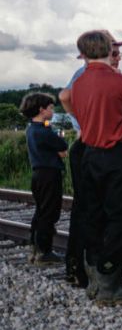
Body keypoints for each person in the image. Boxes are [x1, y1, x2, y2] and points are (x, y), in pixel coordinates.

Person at [69, 30, 122, 304]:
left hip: (89, 155)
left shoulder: (78, 84)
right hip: (117, 155)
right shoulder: (120, 82)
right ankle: (109, 278)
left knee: (94, 214)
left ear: (83, 52)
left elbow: (68, 101)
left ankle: (95, 278)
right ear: (108, 49)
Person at [58, 31, 122, 287]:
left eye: (118, 52)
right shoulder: (87, 72)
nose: (117, 56)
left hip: (90, 144)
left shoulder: (103, 74)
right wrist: (84, 125)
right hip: (89, 145)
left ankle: (90, 266)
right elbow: (64, 96)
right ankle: (80, 266)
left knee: (92, 208)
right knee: (88, 209)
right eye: (114, 51)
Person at [20, 92, 68, 265]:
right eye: (50, 108)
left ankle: (35, 247)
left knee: (41, 210)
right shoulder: (44, 132)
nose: (52, 111)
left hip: (38, 174)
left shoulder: (32, 129)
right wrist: (60, 138)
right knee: (50, 212)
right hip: (49, 174)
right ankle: (44, 252)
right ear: (42, 110)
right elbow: (63, 147)